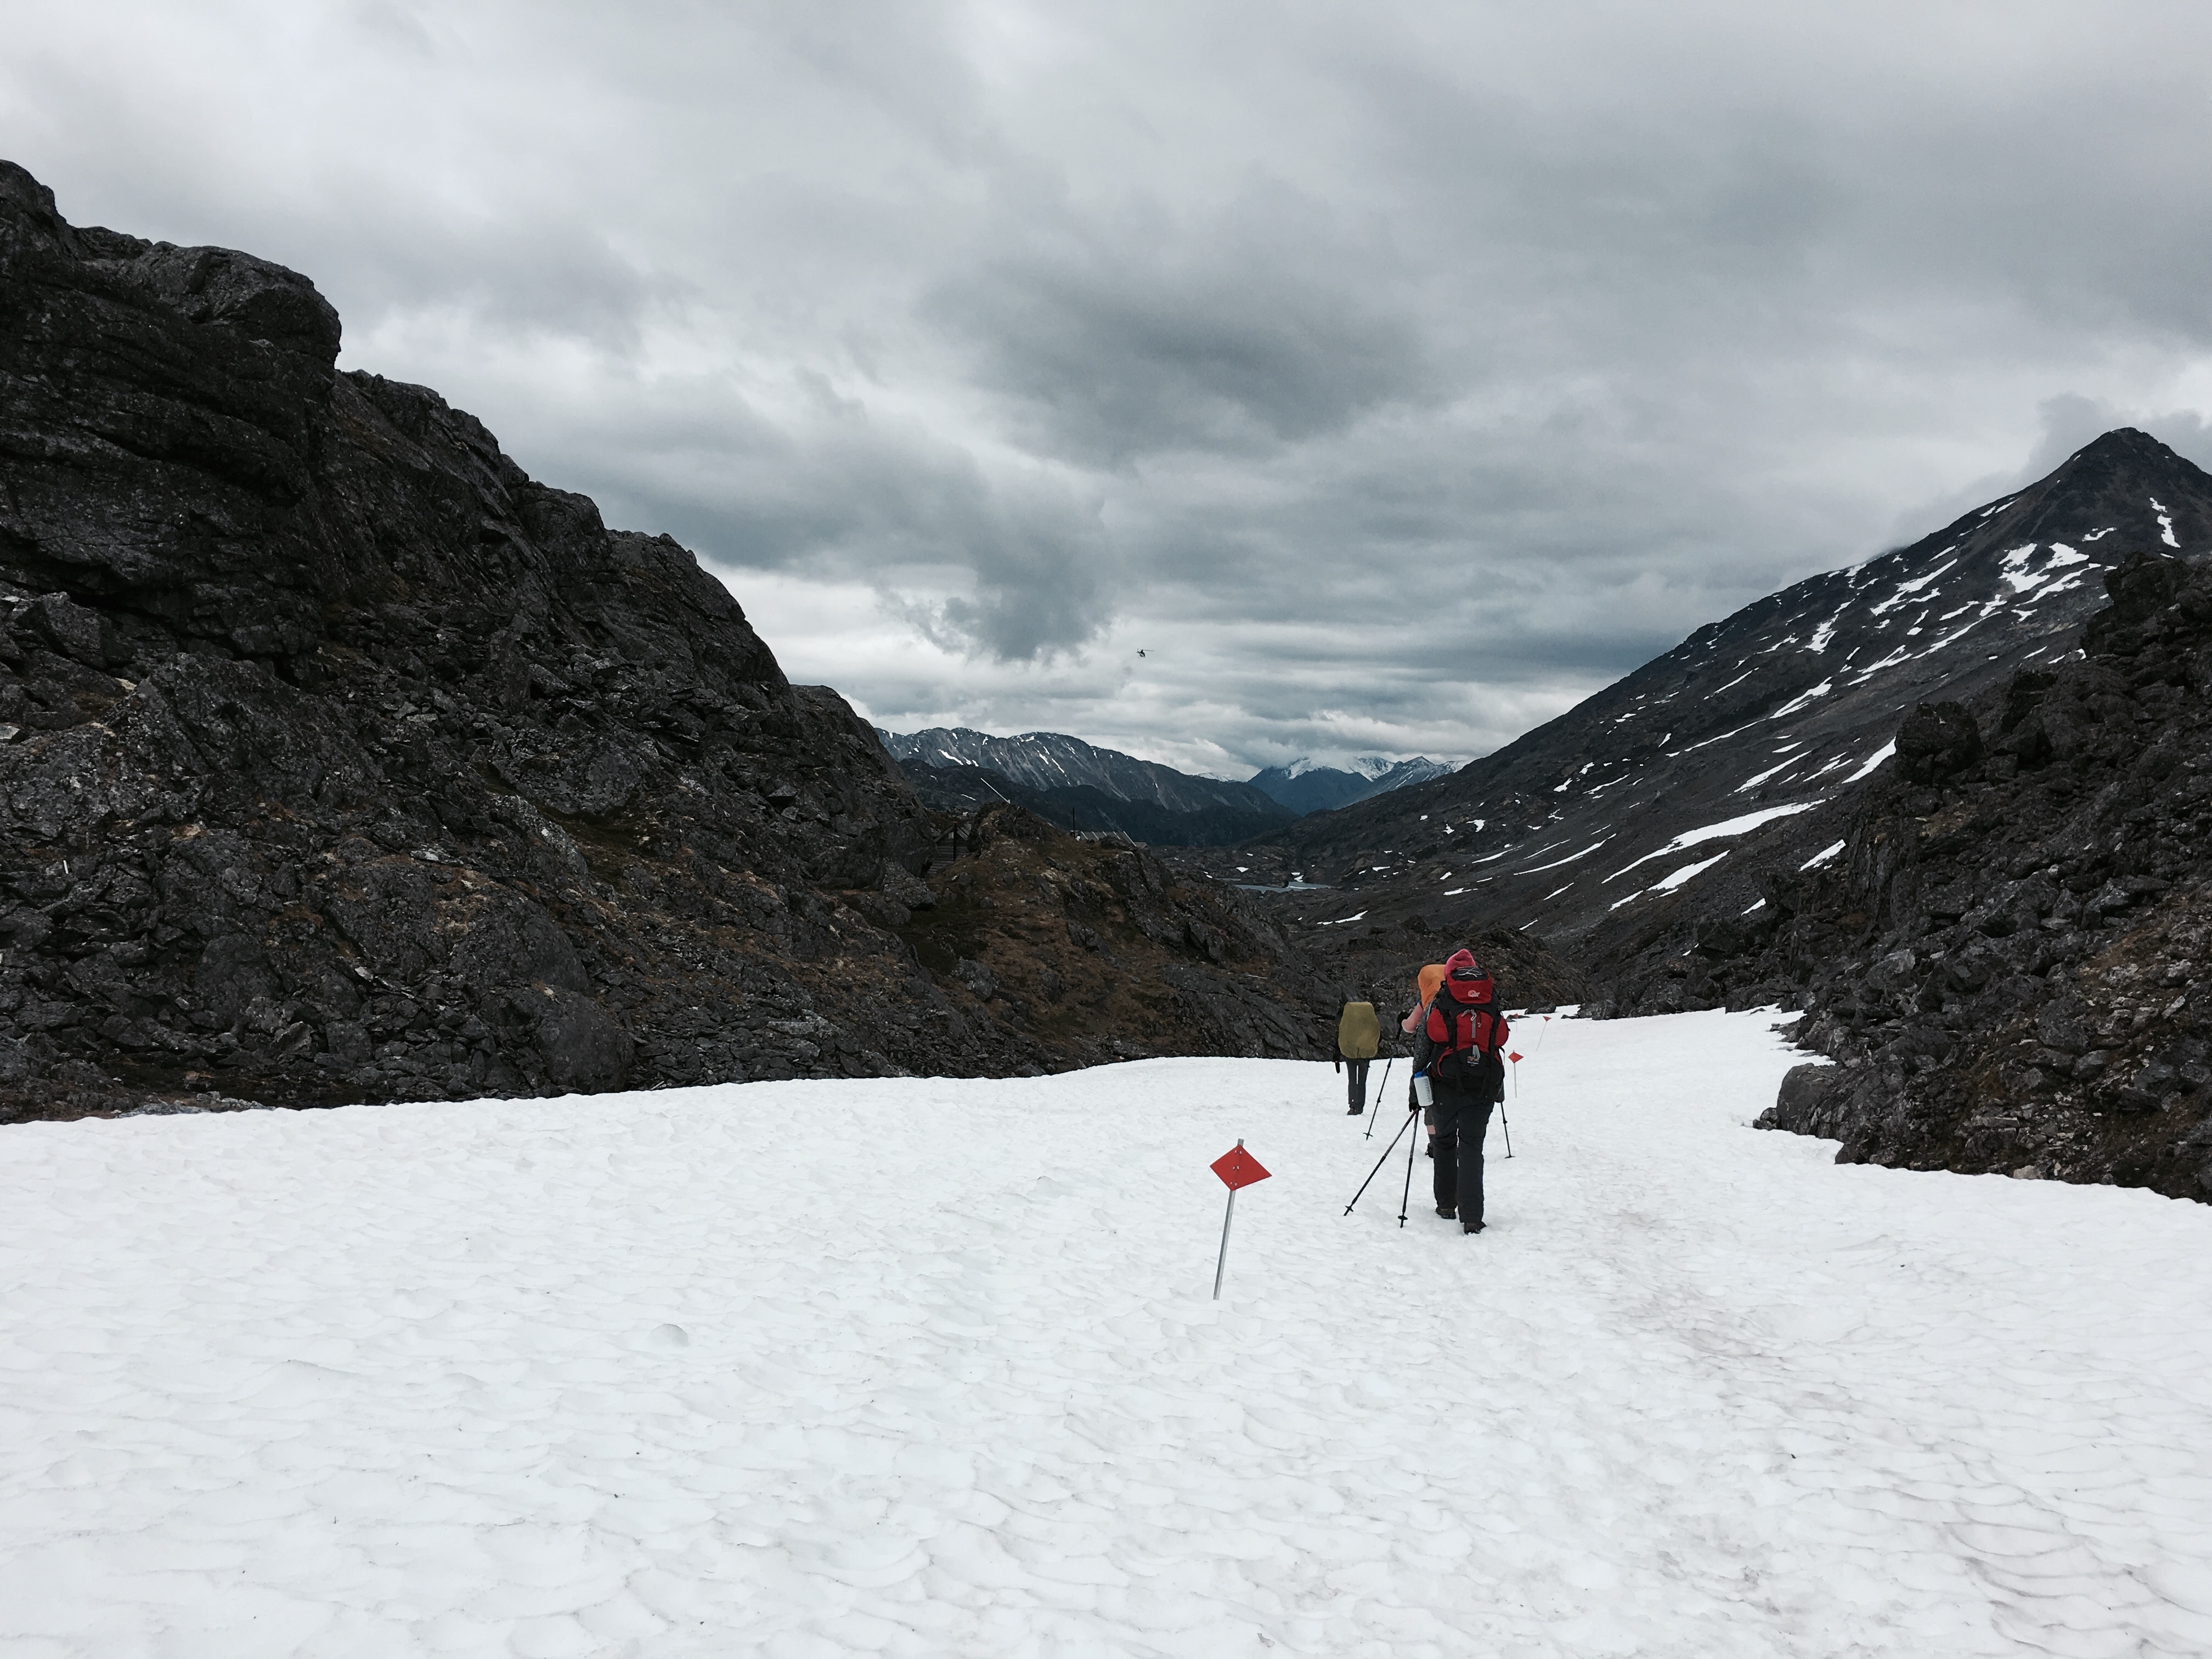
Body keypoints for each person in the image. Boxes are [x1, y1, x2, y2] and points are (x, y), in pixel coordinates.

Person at [1410, 947, 1509, 1234]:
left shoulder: (1440, 1001)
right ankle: (1472, 1217)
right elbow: (1500, 1038)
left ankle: (1445, 1204)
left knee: (1444, 1141)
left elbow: (1422, 1050)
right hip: (1483, 1085)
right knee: (1471, 1148)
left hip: (1445, 1085)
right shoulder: (1490, 1001)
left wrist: (1416, 1090)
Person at [1401, 962, 1448, 1155]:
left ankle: (1434, 1144)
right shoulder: (1464, 1000)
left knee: (1431, 1102)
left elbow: (1410, 1027)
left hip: (1436, 1061)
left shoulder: (1428, 1002)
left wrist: (1402, 1021)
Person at [1332, 995, 1381, 1113]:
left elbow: (1340, 1038)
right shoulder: (1369, 1024)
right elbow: (1379, 1037)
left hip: (1350, 1054)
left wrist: (1337, 1056)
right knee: (1362, 1081)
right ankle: (1360, 1107)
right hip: (1365, 1055)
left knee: (1352, 1080)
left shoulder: (1347, 1025)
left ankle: (1353, 1105)